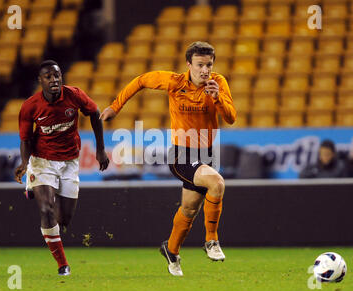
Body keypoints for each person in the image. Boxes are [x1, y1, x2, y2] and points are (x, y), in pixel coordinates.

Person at [100, 42, 236, 276]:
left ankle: (171, 250)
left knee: (190, 209)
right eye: (200, 65)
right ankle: (211, 241)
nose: (205, 70)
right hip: (181, 153)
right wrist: (115, 107)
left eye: (209, 65)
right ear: (189, 65)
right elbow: (141, 80)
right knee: (217, 183)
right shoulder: (174, 82)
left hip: (207, 154)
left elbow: (231, 118)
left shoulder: (218, 84)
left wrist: (217, 98)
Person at [14, 60, 110, 276]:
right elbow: (26, 138)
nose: (54, 79)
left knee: (63, 219)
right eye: (48, 77)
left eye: (57, 75)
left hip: (69, 162)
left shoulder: (74, 95)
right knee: (46, 209)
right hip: (42, 161)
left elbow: (95, 113)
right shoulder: (30, 106)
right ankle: (62, 264)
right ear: (41, 81)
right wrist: (24, 162)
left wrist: (100, 149)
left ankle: (37, 190)